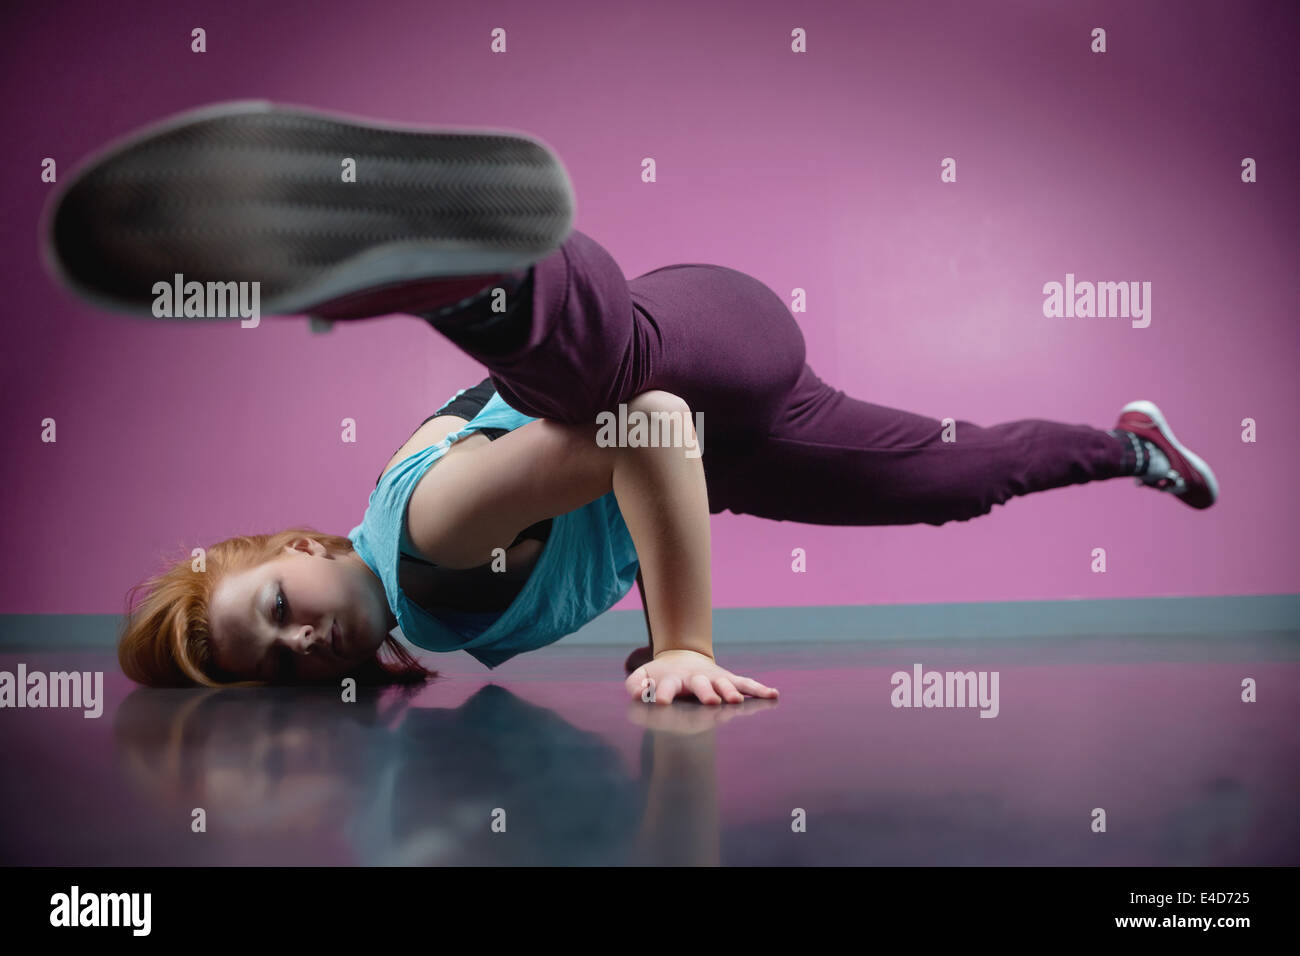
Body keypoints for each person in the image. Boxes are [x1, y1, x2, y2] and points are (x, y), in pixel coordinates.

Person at [43, 102, 1218, 704]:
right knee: (955, 479)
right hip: (750, 434)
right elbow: (647, 472)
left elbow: (647, 424)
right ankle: (1130, 449)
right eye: (288, 660)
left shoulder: (424, 543)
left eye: (280, 607)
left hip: (693, 354)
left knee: (607, 371)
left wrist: (683, 644)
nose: (308, 638)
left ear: (295, 547)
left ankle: (445, 259)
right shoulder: (418, 590)